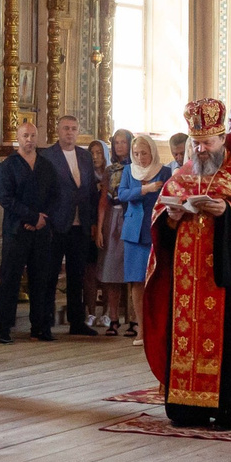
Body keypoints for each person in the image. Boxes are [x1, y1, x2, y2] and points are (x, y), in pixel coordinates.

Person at [144, 99, 231, 428]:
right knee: (184, 340)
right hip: (184, 285)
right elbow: (160, 239)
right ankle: (186, 407)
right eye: (196, 143)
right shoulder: (180, 180)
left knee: (227, 344)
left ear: (223, 139)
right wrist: (170, 219)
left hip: (225, 282)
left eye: (207, 142)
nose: (201, 149)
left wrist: (229, 214)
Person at [0, 116, 59, 344]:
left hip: (41, 231)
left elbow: (55, 196)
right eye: (25, 136)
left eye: (32, 136)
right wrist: (31, 217)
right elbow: (6, 199)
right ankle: (5, 329)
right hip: (16, 230)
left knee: (41, 279)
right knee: (10, 279)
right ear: (17, 139)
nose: (29, 140)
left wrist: (42, 219)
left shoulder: (46, 166)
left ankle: (39, 327)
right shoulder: (8, 166)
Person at [40, 114, 101, 336]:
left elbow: (91, 191)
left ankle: (77, 322)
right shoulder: (47, 156)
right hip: (57, 224)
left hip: (81, 224)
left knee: (77, 275)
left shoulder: (85, 156)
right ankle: (45, 321)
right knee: (51, 274)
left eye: (74, 128)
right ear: (58, 131)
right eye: (66, 128)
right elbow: (43, 191)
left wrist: (93, 222)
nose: (70, 132)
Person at [111, 133, 168, 334]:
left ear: (152, 151)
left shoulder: (164, 172)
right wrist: (144, 190)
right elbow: (122, 194)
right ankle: (141, 328)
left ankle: (158, 328)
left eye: (144, 153)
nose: (141, 157)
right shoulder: (128, 171)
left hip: (156, 231)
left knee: (158, 280)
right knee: (137, 281)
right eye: (136, 153)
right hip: (134, 233)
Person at [95, 127, 135, 333]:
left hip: (132, 218)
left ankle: (134, 320)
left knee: (133, 270)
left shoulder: (138, 167)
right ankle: (113, 319)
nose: (120, 146)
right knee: (111, 269)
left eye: (123, 142)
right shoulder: (110, 170)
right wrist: (100, 228)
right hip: (112, 219)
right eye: (116, 142)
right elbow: (103, 200)